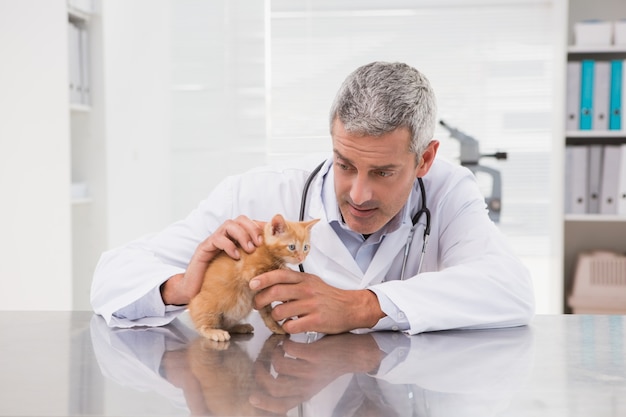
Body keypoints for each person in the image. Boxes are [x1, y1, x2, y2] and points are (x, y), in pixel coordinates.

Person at [91, 61, 535, 334]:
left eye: (383, 172)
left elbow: (510, 289)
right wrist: (182, 286)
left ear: (425, 159)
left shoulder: (448, 191)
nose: (359, 194)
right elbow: (111, 276)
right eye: (345, 164)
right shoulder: (258, 191)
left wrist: (364, 305)